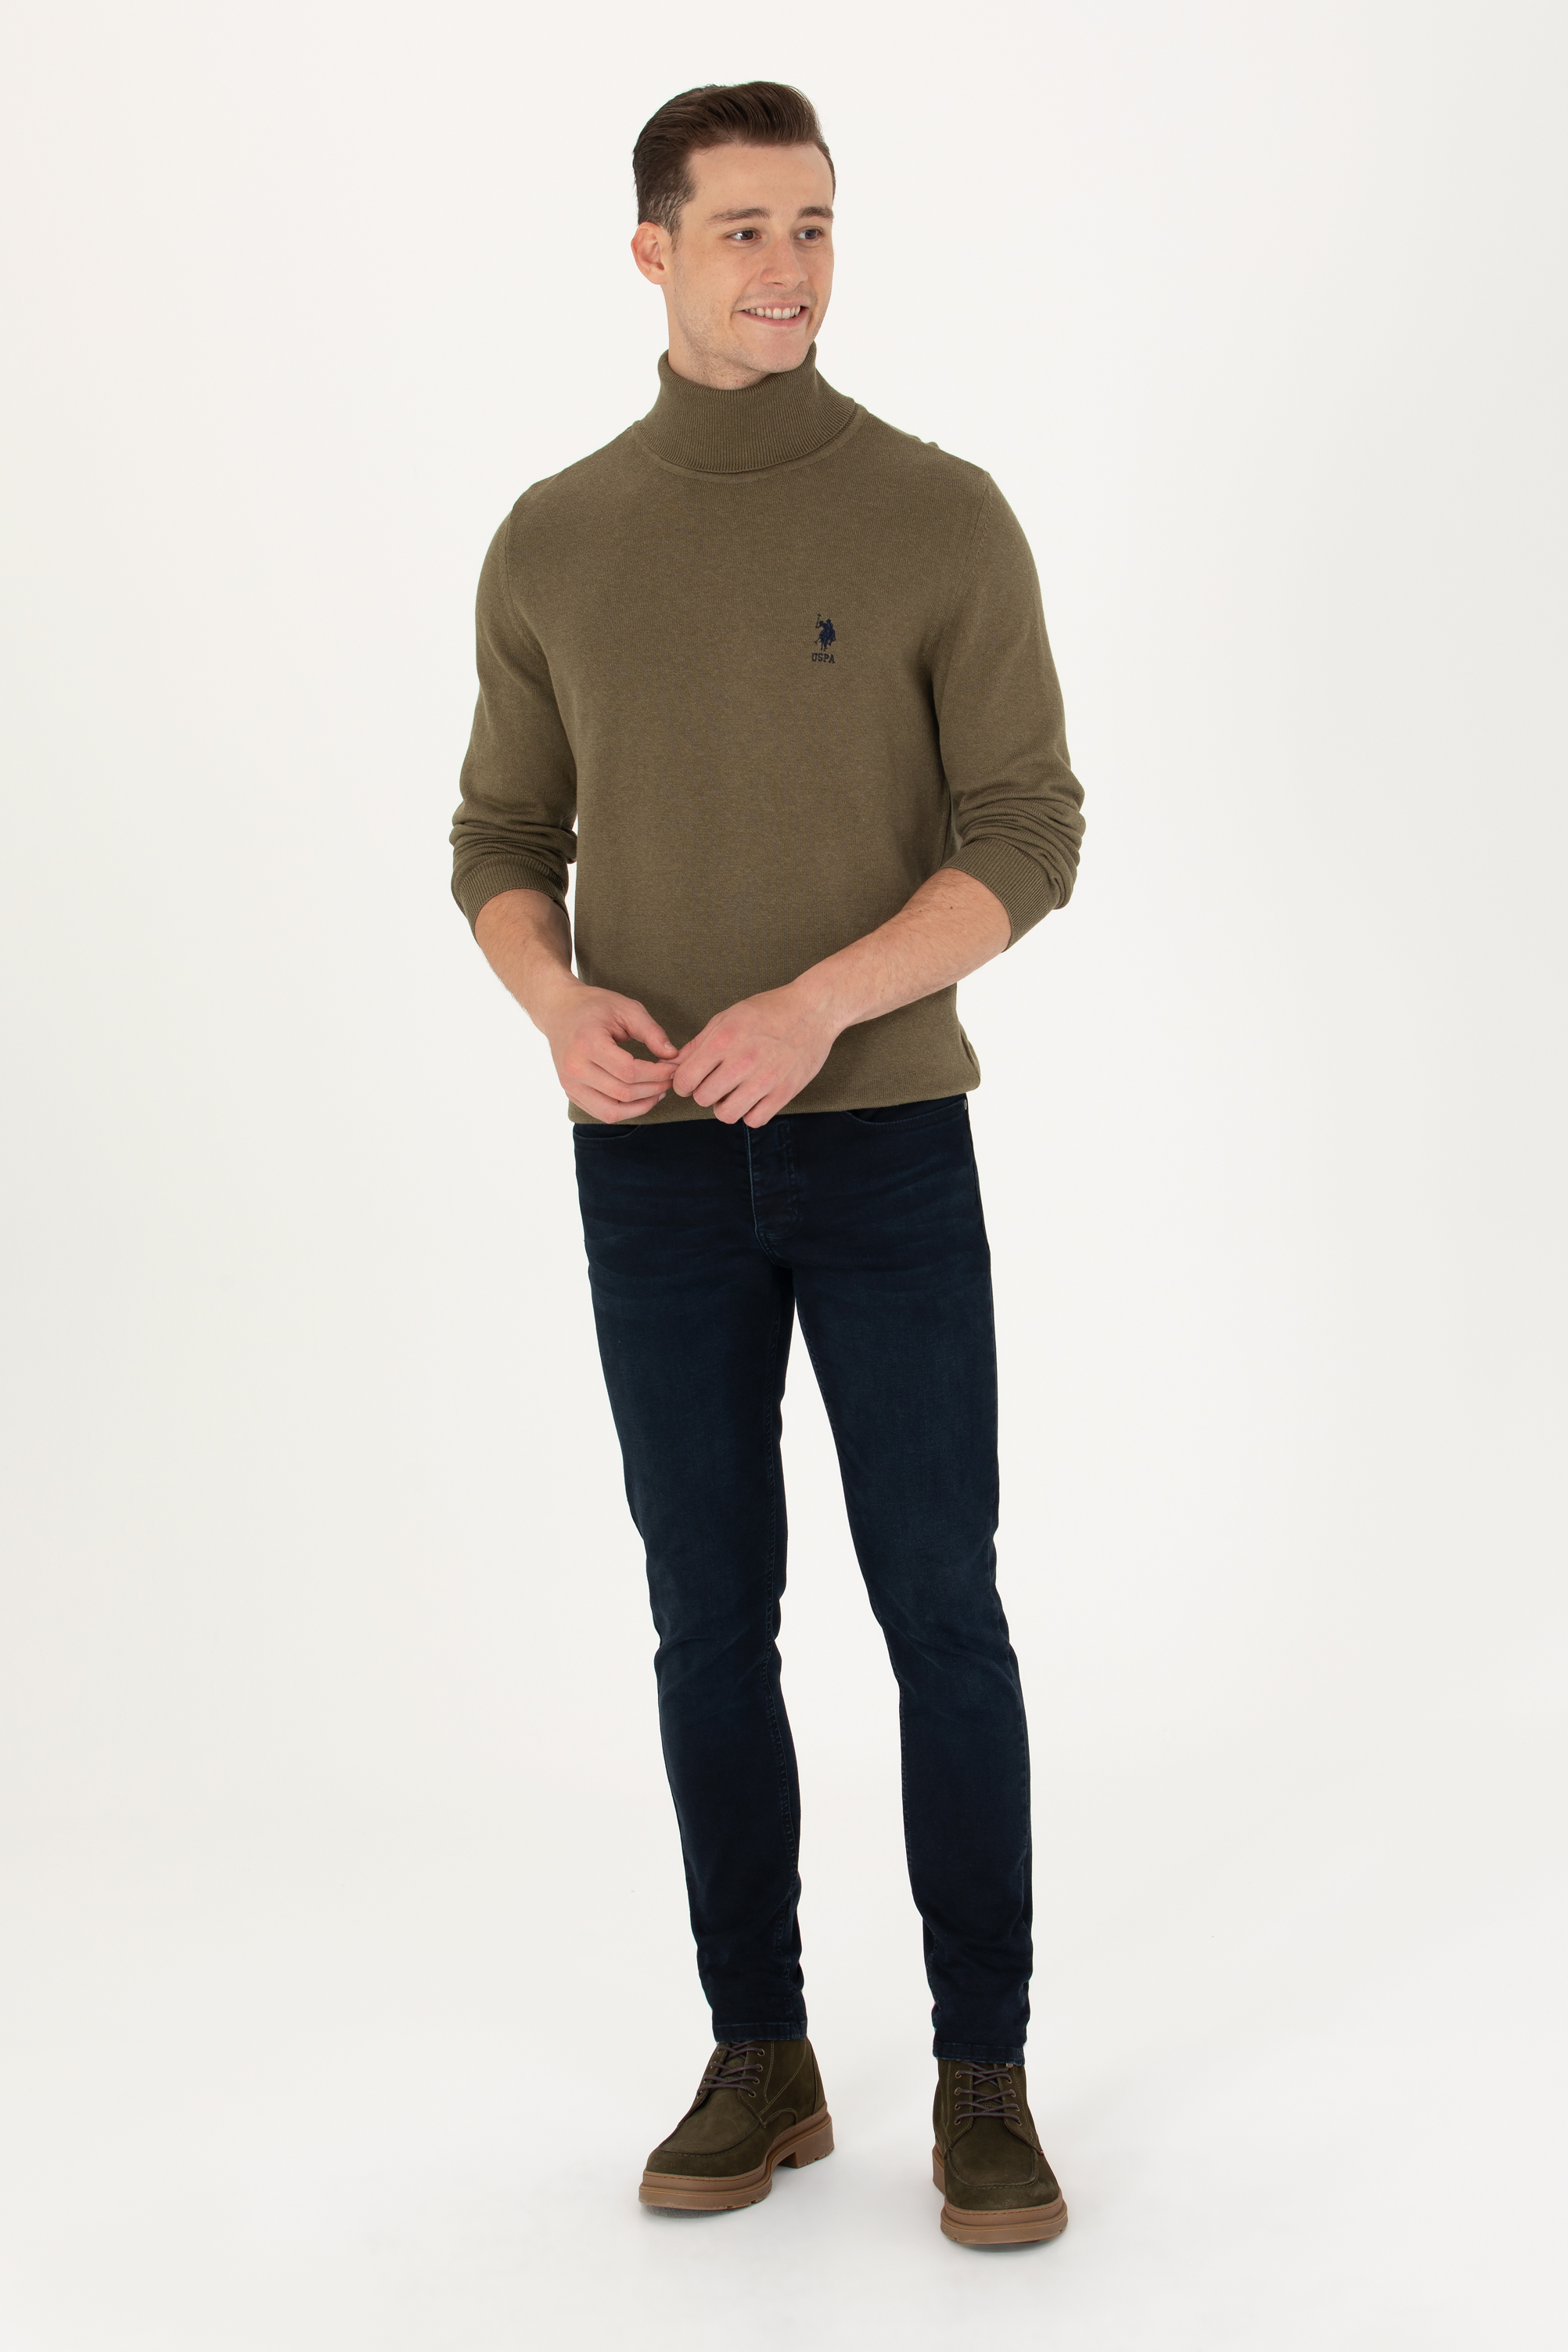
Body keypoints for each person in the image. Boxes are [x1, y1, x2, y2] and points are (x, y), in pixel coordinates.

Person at [449, 81, 1084, 2247]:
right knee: (707, 1625)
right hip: (649, 1167)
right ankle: (762, 2052)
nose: (788, 267)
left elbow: (1027, 833)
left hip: (886, 1146)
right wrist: (556, 1004)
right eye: (741, 229)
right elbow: (499, 840)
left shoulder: (939, 514)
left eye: (814, 224)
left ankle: (983, 2072)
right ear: (651, 251)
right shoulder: (555, 539)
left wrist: (820, 1003)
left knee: (942, 1614)